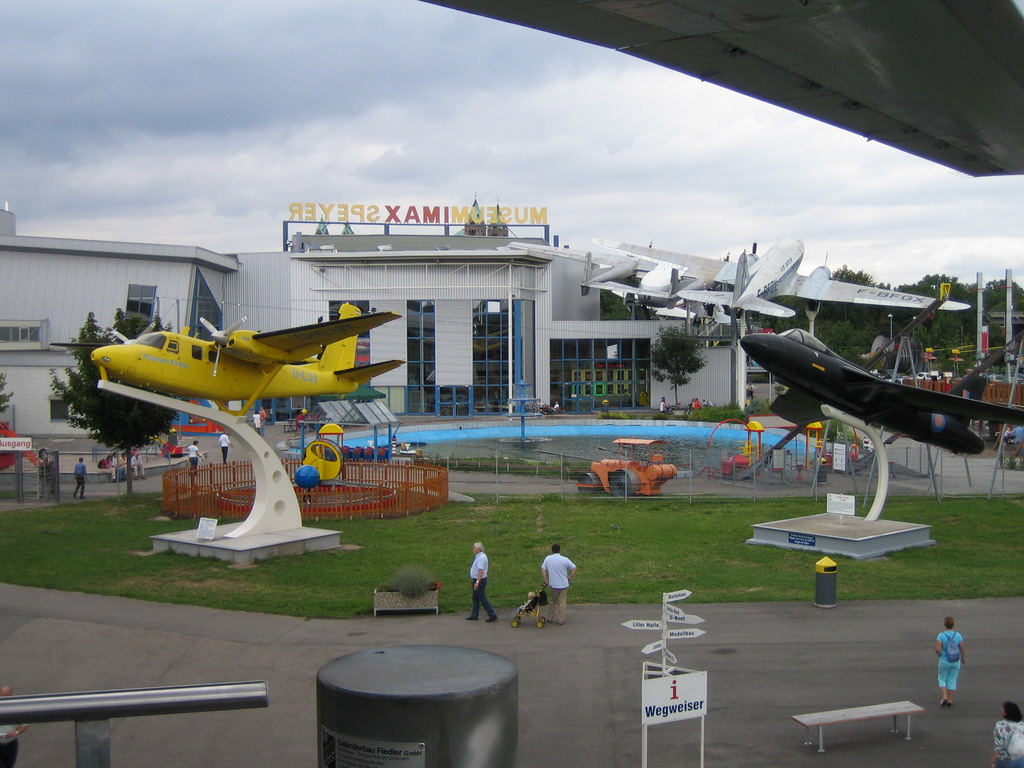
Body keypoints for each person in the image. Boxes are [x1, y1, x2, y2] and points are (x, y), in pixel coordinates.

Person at [541, 544, 578, 625]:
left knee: (553, 601)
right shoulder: (565, 559)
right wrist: (570, 577)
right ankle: (560, 619)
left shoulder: (548, 558)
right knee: (562, 602)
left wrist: (545, 580)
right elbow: (574, 568)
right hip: (564, 584)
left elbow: (543, 569)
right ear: (559, 550)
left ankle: (550, 617)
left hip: (553, 584)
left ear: (552, 550)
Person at [935, 615, 965, 706]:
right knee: (952, 679)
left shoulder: (941, 635)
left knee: (942, 677)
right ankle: (950, 699)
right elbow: (962, 648)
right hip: (955, 660)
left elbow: (937, 649)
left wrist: (940, 655)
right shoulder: (958, 635)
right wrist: (963, 658)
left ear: (944, 624)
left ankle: (944, 696)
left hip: (945, 660)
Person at [466, 542, 498, 622]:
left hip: (479, 580)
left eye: (474, 548)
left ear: (478, 549)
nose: (473, 549)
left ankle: (492, 614)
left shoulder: (481, 558)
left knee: (482, 598)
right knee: (475, 598)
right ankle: (474, 615)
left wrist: (477, 582)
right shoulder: (478, 556)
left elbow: (481, 571)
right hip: (477, 579)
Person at [0, 685, 28, 768]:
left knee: (10, 764)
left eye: (8, 695)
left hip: (11, 743)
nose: (5, 697)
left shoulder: (17, 708)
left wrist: (16, 732)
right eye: (3, 695)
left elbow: (25, 724)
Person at [992, 701, 1024, 768]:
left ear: (1005, 713)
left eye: (1002, 710)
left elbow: (998, 746)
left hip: (1005, 760)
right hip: (1020, 759)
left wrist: (993, 761)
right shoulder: (1022, 725)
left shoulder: (1000, 725)